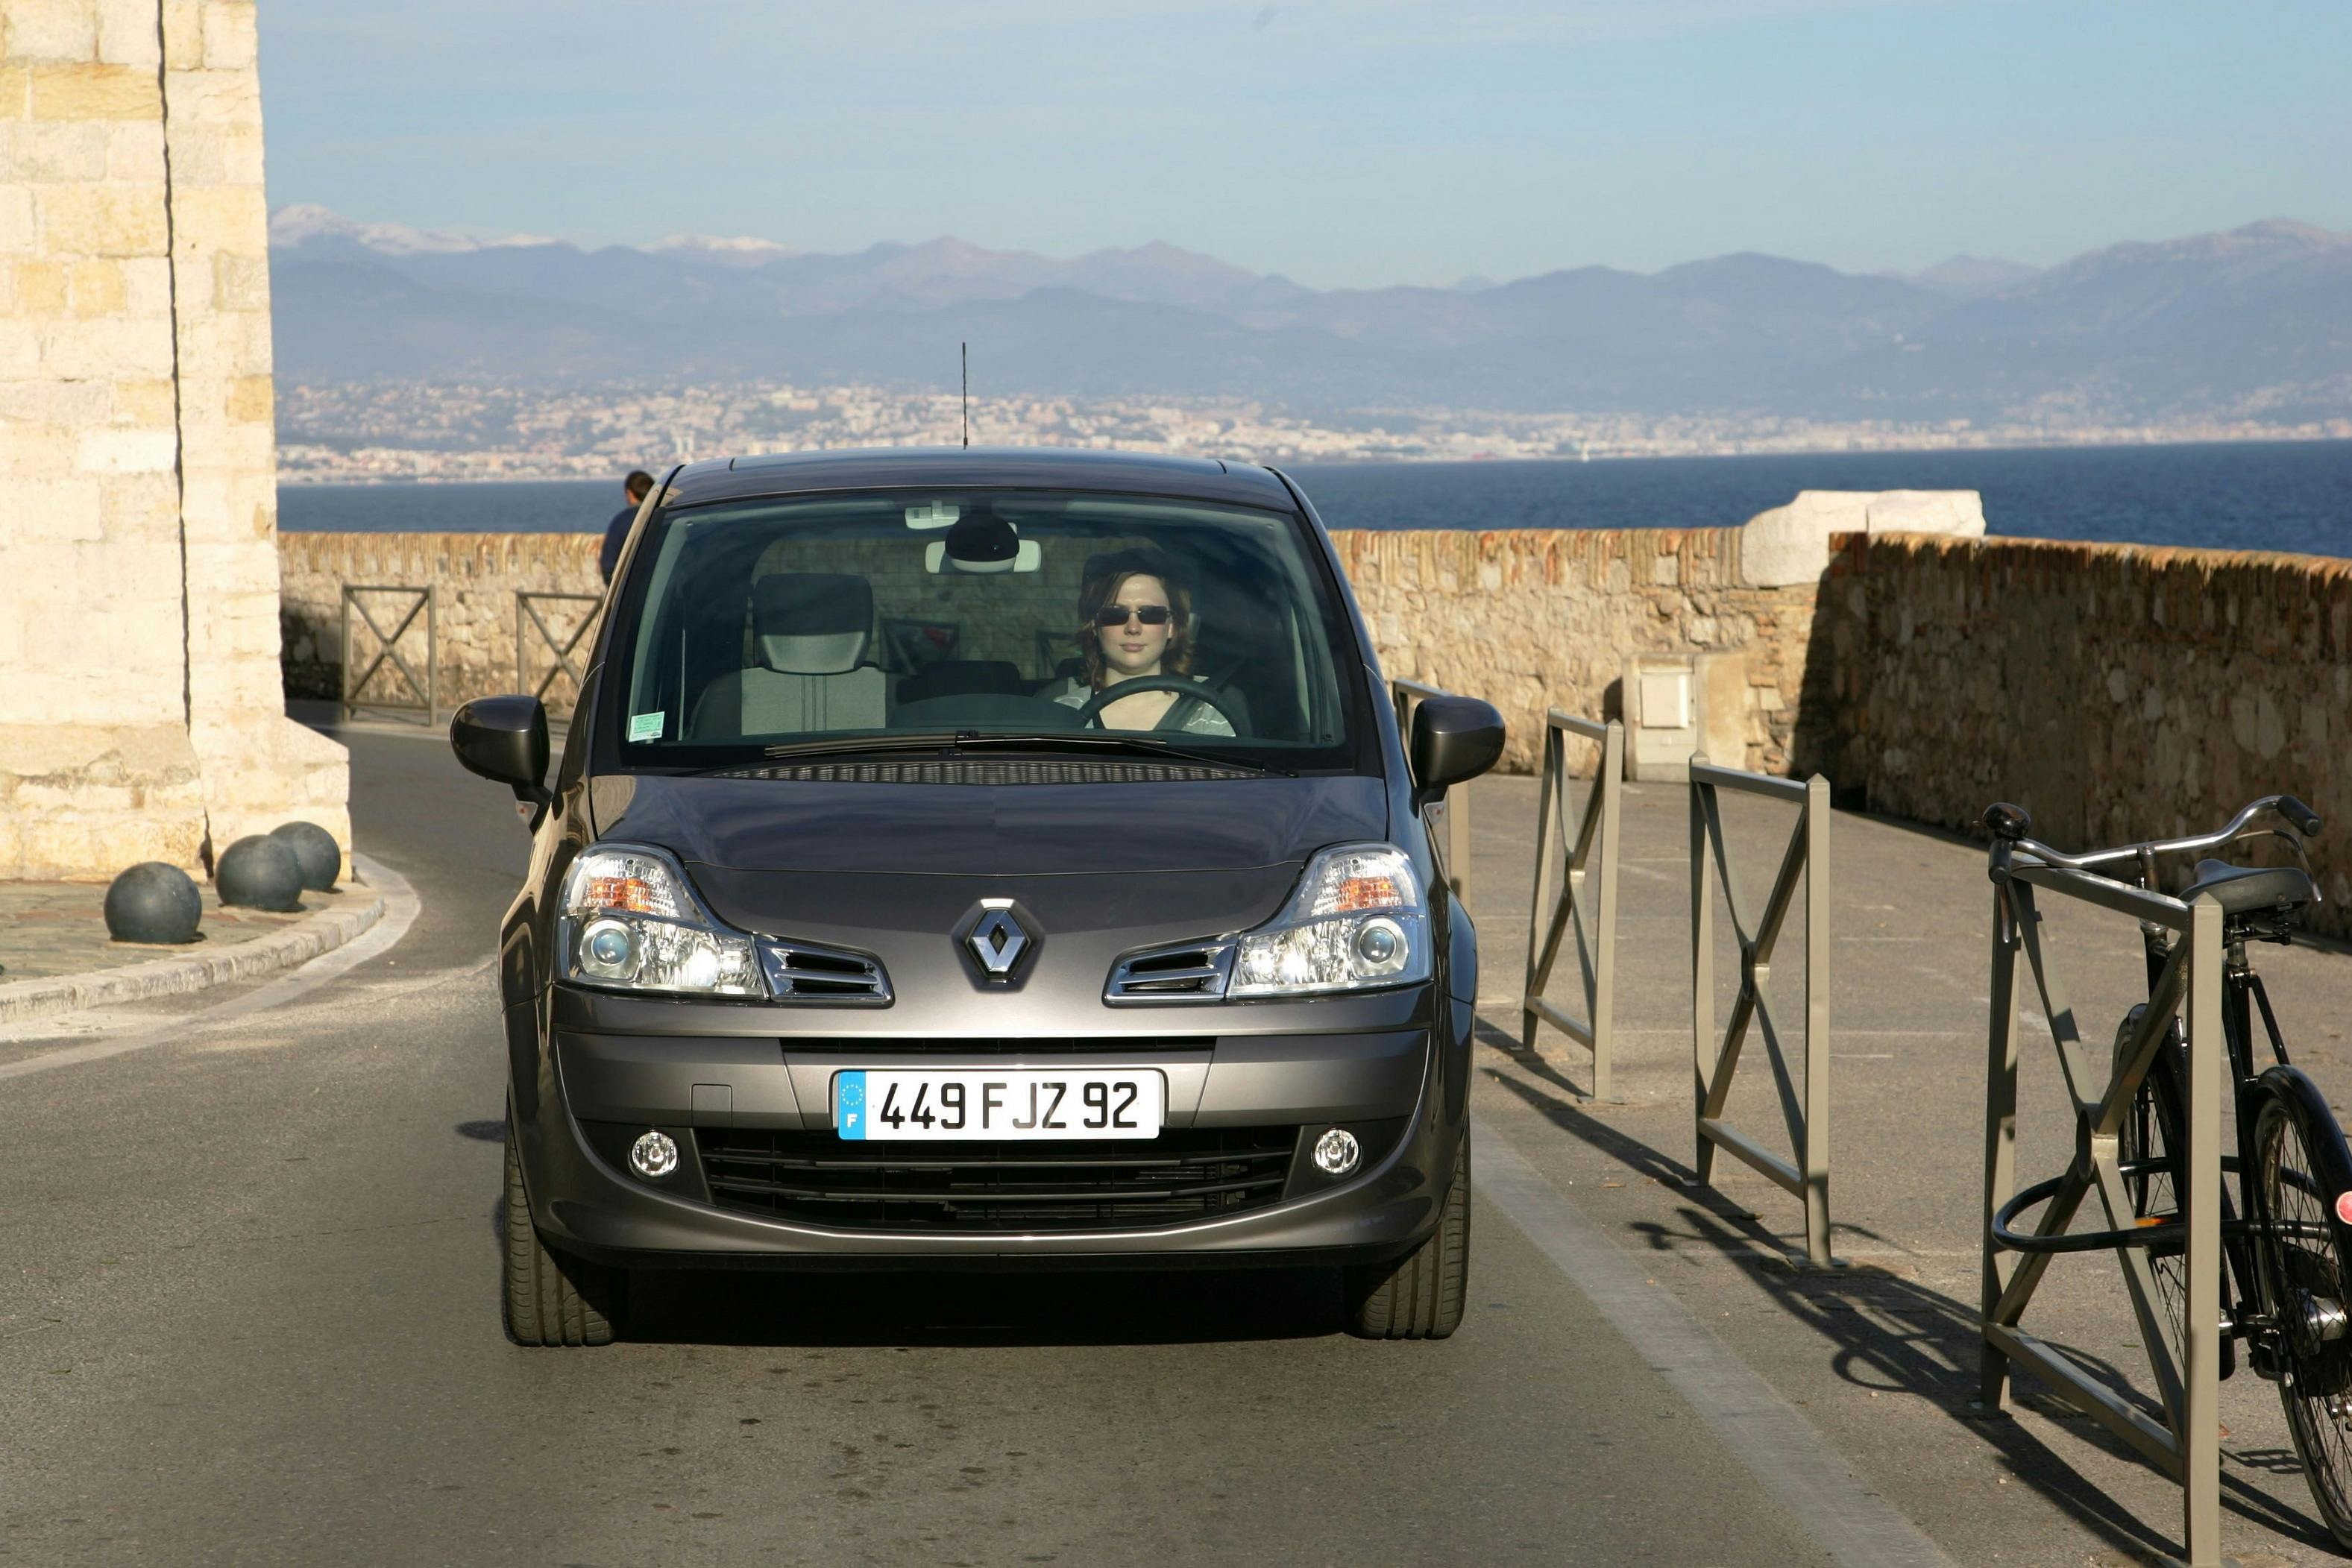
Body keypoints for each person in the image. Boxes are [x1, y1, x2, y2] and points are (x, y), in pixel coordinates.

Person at [1052, 552, 1236, 735]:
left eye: (1151, 614)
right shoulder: (1063, 712)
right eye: (1115, 614)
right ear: (1094, 625)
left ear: (1172, 626)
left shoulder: (1212, 709)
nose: (1133, 628)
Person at [597, 470, 656, 585]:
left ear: (629, 493)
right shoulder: (666, 516)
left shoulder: (621, 522)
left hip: (633, 588)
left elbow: (608, 566)